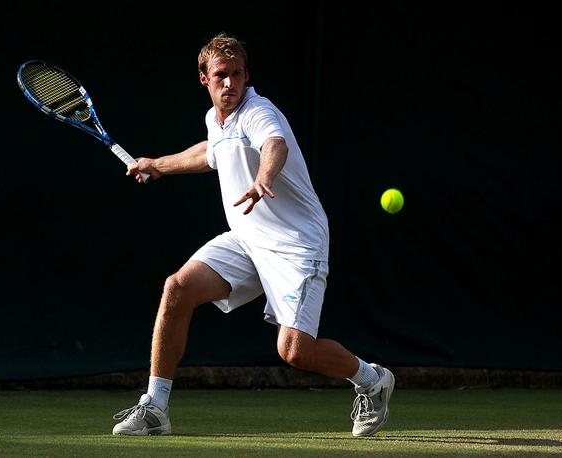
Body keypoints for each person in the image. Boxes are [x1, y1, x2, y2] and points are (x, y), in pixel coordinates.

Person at [111, 32, 394, 438]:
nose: (231, 83)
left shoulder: (260, 113)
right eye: (222, 75)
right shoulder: (217, 120)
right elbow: (208, 152)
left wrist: (264, 178)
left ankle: (372, 380)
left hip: (297, 244)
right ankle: (155, 408)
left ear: (247, 76)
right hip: (247, 239)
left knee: (294, 351)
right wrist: (157, 164)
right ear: (204, 79)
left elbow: (274, 145)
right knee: (177, 288)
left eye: (238, 74)